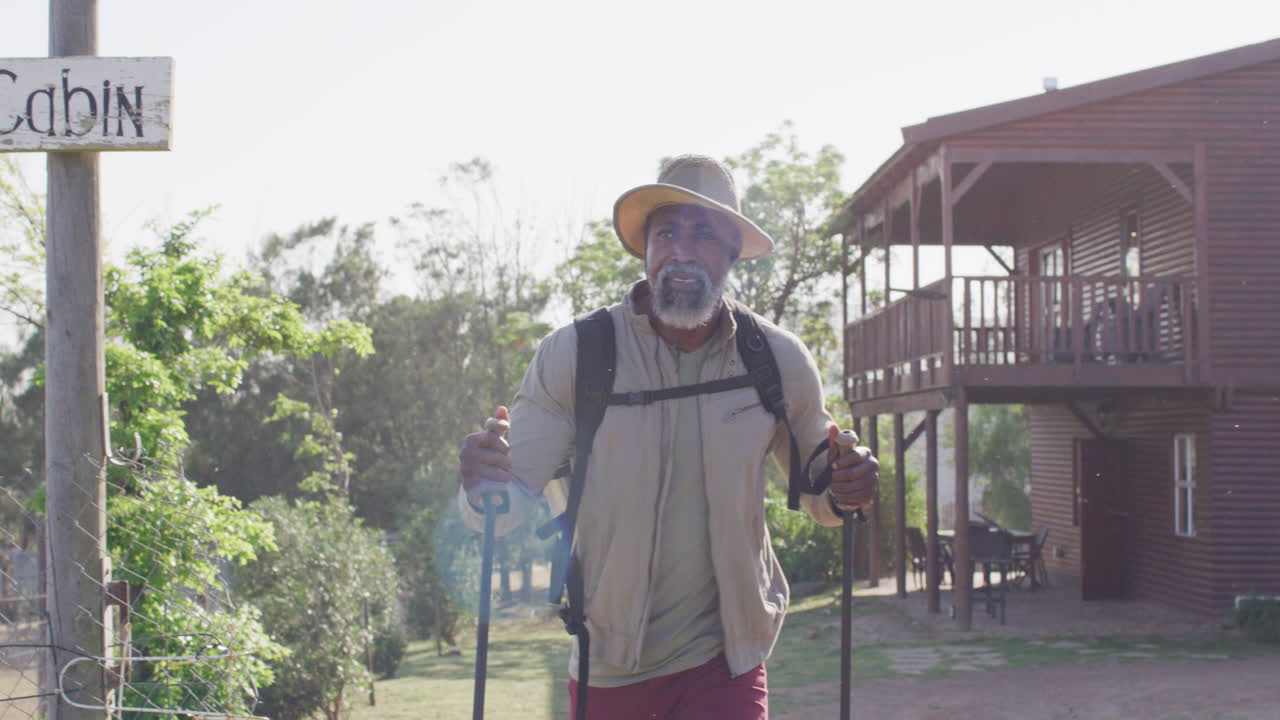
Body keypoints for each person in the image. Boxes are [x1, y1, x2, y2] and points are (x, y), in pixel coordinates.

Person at [457, 154, 879, 719]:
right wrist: (482, 482)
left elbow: (821, 490)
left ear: (733, 253)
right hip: (608, 661)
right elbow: (504, 506)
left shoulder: (775, 359)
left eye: (703, 235)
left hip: (726, 662)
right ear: (646, 249)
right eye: (667, 233)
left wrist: (849, 484)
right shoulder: (579, 355)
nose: (682, 251)